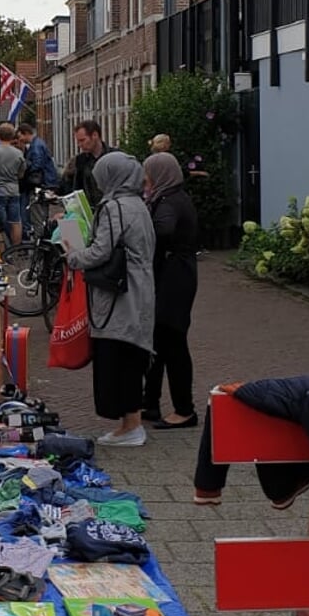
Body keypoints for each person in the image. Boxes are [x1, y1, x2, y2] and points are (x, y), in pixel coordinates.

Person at [65, 151, 156, 447]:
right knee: (132, 355)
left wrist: (73, 256)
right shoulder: (139, 205)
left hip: (119, 294)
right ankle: (132, 423)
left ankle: (130, 427)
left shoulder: (113, 207)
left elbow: (101, 251)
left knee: (117, 357)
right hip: (140, 288)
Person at [139, 152, 200, 429]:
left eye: (149, 174)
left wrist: (140, 229)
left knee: (172, 341)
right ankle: (150, 403)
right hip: (174, 274)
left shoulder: (169, 201)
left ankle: (184, 410)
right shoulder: (171, 197)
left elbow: (163, 230)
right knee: (159, 342)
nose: (146, 180)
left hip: (174, 278)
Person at [67, 119, 115, 208]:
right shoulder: (80, 160)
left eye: (82, 140)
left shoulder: (114, 157)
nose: (79, 145)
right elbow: (77, 189)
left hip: (111, 209)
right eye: (78, 141)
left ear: (95, 135)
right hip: (91, 210)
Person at [18, 122, 57, 196]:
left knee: (38, 205)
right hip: (46, 180)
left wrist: (25, 170)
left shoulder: (36, 146)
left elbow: (37, 164)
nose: (20, 139)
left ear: (26, 133)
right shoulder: (37, 143)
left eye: (20, 136)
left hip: (42, 181)